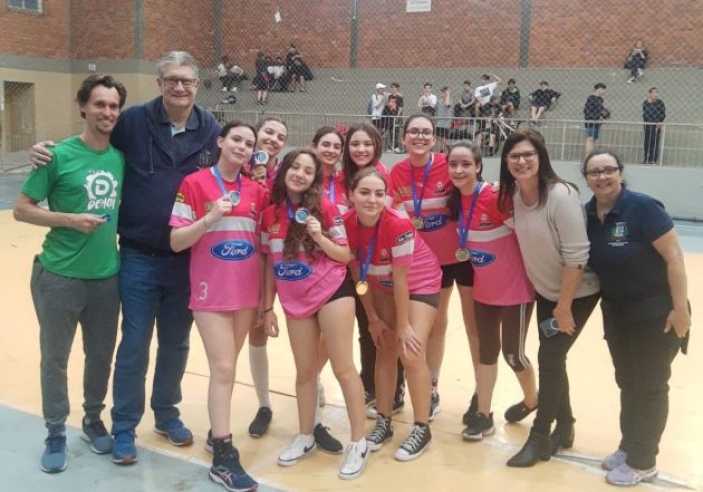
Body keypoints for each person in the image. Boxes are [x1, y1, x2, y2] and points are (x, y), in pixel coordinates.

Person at [29, 51, 222, 465]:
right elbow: (91, 141)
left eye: (187, 80)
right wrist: (46, 151)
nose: (179, 87)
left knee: (176, 343)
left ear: (197, 85)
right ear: (159, 83)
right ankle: (123, 428)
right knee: (134, 344)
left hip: (185, 259)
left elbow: (233, 168)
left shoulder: (210, 129)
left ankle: (166, 414)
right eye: (171, 79)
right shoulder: (132, 121)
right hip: (137, 257)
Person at [14, 74, 127, 474]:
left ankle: (93, 420)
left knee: (100, 356)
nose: (107, 112)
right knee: (55, 359)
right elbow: (22, 209)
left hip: (106, 278)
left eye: (113, 106)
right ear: (82, 106)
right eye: (99, 104)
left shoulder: (120, 158)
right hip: (59, 276)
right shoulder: (57, 156)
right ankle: (55, 431)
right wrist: (69, 219)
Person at [582, 150, 690, 486]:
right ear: (586, 178)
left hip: (656, 315)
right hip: (617, 315)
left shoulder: (643, 207)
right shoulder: (587, 215)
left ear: (620, 172)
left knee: (651, 387)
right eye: (594, 172)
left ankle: (644, 461)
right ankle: (629, 446)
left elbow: (674, 257)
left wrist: (681, 309)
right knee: (627, 383)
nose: (602, 177)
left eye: (608, 170)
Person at [260, 148, 369, 480]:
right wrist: (267, 307)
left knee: (343, 367)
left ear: (314, 178)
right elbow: (269, 263)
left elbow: (344, 255)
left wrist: (319, 235)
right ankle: (306, 436)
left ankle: (359, 442)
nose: (300, 174)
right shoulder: (270, 214)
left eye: (308, 171)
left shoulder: (326, 207)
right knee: (305, 371)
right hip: (294, 299)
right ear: (284, 170)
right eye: (295, 167)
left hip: (332, 291)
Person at [169, 121, 263, 492]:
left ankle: (215, 432)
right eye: (236, 139)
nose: (242, 146)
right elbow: (177, 241)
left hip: (246, 292)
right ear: (221, 142)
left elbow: (262, 247)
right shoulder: (194, 183)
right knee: (223, 368)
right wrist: (210, 217)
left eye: (249, 143)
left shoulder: (257, 190)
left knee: (227, 368)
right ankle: (223, 456)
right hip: (210, 292)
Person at [498, 129, 600, 468]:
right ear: (506, 162)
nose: (522, 161)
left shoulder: (561, 195)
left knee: (550, 356)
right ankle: (566, 426)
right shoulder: (515, 195)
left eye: (529, 154)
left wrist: (564, 306)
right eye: (515, 156)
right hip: (546, 293)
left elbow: (577, 257)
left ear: (541, 158)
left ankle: (540, 436)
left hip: (577, 293)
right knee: (554, 358)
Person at [345, 167, 442, 461]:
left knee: (410, 351)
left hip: (419, 283)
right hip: (379, 284)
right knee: (384, 348)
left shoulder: (398, 224)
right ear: (351, 195)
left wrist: (402, 326)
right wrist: (373, 319)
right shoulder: (345, 225)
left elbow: (402, 280)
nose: (372, 199)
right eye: (364, 192)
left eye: (379, 193)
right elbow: (357, 276)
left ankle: (422, 427)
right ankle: (384, 421)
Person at [444, 142, 538, 441]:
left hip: (516, 291)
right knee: (486, 352)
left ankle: (533, 400)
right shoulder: (455, 202)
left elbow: (529, 234)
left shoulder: (496, 197)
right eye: (453, 164)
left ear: (478, 166)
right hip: (484, 292)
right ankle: (483, 416)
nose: (459, 170)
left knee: (514, 355)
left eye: (466, 164)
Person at [390, 114, 477, 424]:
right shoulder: (396, 173)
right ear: (403, 138)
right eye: (413, 131)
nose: (420, 136)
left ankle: (480, 395)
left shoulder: (448, 164)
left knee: (473, 326)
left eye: (426, 132)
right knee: (434, 326)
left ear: (434, 138)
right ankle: (430, 387)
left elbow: (473, 189)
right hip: (425, 266)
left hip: (462, 257)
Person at [339, 123, 403, 416]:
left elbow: (380, 223)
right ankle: (371, 386)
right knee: (367, 328)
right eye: (355, 144)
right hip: (349, 264)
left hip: (378, 268)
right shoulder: (340, 178)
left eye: (367, 144)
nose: (361, 149)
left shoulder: (382, 177)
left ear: (376, 146)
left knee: (386, 328)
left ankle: (395, 389)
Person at [642, 87, 666, 164]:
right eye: (654, 92)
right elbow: (645, 114)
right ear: (650, 94)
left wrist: (659, 122)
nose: (656, 94)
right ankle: (646, 159)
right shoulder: (646, 103)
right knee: (646, 143)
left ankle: (653, 160)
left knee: (654, 143)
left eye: (657, 93)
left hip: (656, 126)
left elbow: (663, 114)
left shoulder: (660, 103)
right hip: (647, 126)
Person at [584, 82, 608, 154]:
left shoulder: (601, 99)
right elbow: (586, 111)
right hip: (591, 121)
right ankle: (588, 156)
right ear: (598, 89)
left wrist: (604, 115)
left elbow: (601, 110)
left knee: (594, 139)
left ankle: (592, 155)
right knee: (590, 138)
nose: (604, 91)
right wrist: (595, 118)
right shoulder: (591, 98)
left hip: (597, 122)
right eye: (603, 89)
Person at [383, 82, 405, 153]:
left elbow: (401, 107)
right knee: (390, 131)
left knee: (396, 132)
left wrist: (397, 116)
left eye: (393, 87)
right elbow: (388, 105)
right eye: (391, 87)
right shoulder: (390, 96)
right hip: (390, 116)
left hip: (396, 116)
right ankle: (389, 147)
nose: (392, 88)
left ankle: (396, 146)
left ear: (397, 88)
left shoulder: (400, 97)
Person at [434, 86, 453, 154]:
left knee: (444, 137)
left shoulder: (449, 100)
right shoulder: (439, 101)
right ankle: (447, 146)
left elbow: (447, 104)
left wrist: (448, 95)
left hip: (446, 122)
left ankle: (443, 150)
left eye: (444, 92)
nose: (443, 93)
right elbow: (435, 108)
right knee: (436, 135)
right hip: (439, 121)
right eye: (442, 92)